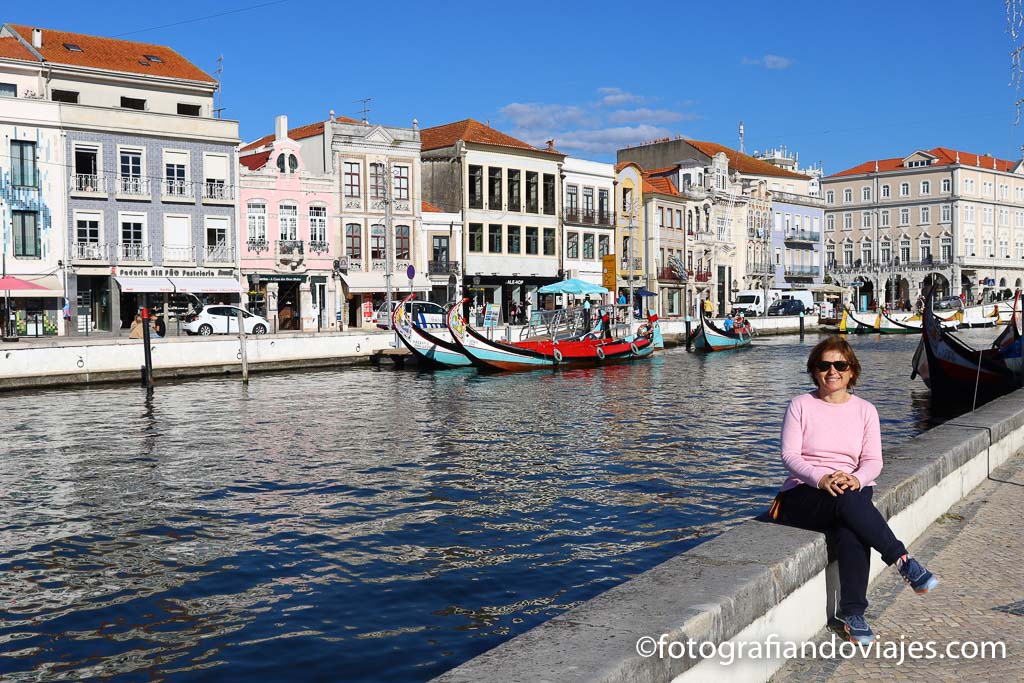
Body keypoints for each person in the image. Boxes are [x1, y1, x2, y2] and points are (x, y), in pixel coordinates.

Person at [770, 336, 939, 645]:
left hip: (851, 489)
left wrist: (857, 479)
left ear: (851, 372)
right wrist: (822, 478)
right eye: (824, 365)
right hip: (803, 493)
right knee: (849, 507)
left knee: (851, 525)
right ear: (814, 370)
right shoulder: (800, 406)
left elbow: (873, 460)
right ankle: (902, 561)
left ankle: (853, 614)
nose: (831, 371)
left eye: (839, 365)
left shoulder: (865, 410)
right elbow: (790, 456)